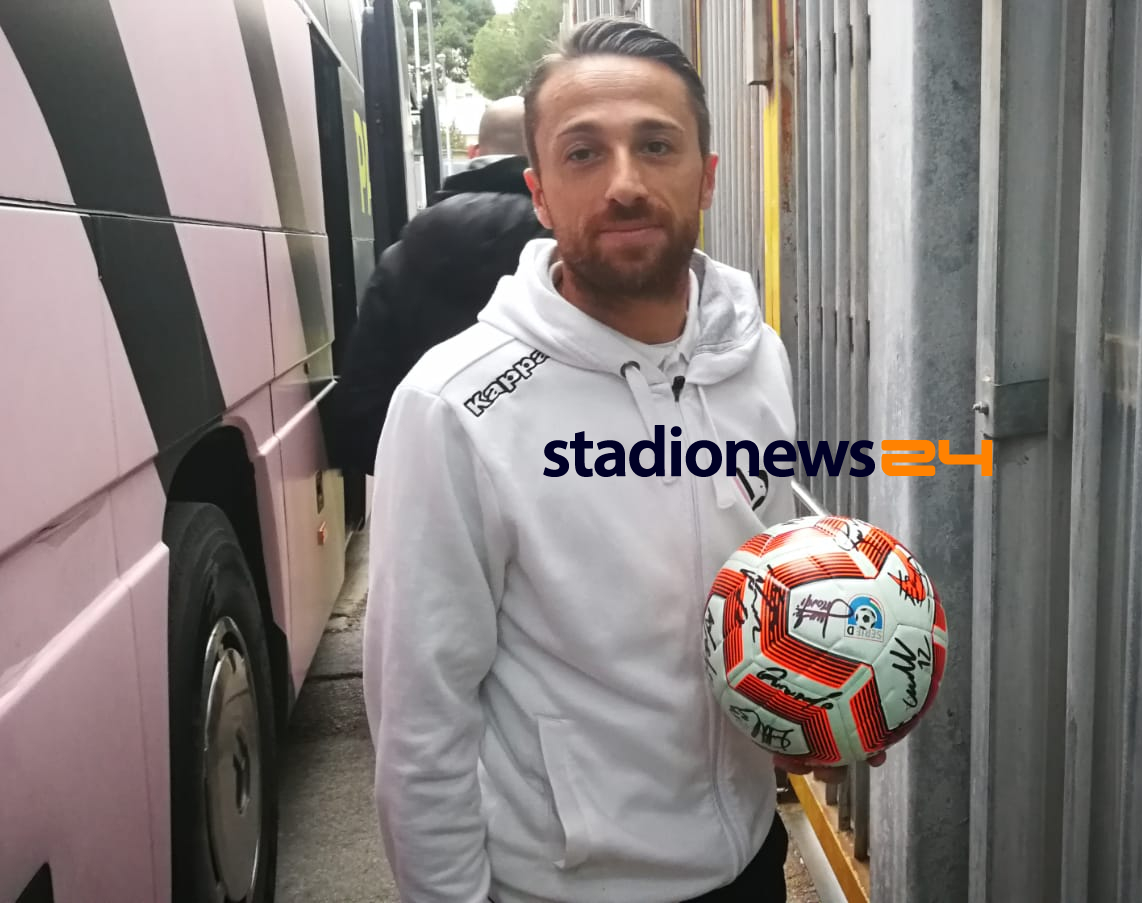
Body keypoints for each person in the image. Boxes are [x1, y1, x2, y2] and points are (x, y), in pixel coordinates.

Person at [361, 16, 879, 903]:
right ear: (539, 192)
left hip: (749, 860)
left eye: (656, 144)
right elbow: (420, 721)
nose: (626, 183)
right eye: (583, 153)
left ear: (706, 175)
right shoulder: (455, 406)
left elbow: (765, 591)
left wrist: (817, 693)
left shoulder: (755, 355)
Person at [325, 95, 549, 475]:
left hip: (433, 478)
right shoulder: (576, 249)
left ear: (474, 152)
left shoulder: (403, 255)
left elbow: (361, 412)